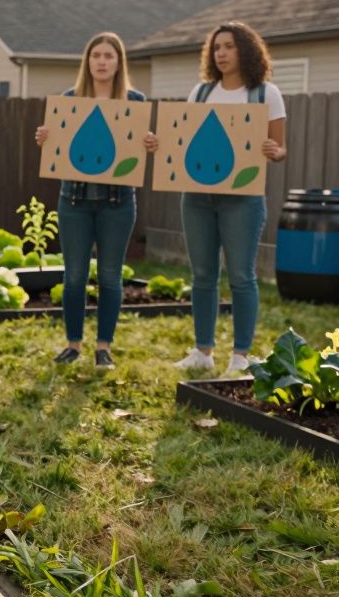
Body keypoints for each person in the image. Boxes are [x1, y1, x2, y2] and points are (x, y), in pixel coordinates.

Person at [143, 21, 287, 375]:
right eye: (216, 48)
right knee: (203, 275)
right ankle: (203, 351)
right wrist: (160, 146)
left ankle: (240, 356)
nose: (221, 53)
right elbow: (184, 145)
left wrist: (274, 150)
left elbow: (280, 149)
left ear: (247, 51)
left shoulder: (266, 94)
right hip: (196, 198)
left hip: (242, 201)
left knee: (241, 276)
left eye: (229, 46)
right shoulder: (201, 93)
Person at [34, 32, 145, 370]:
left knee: (111, 276)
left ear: (118, 62)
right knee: (74, 276)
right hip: (74, 202)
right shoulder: (69, 100)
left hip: (118, 203)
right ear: (88, 61)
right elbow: (62, 149)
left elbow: (136, 149)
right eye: (96, 55)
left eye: (108, 56)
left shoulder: (136, 102)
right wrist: (46, 140)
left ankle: (103, 347)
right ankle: (73, 344)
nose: (101, 61)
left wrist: (149, 143)